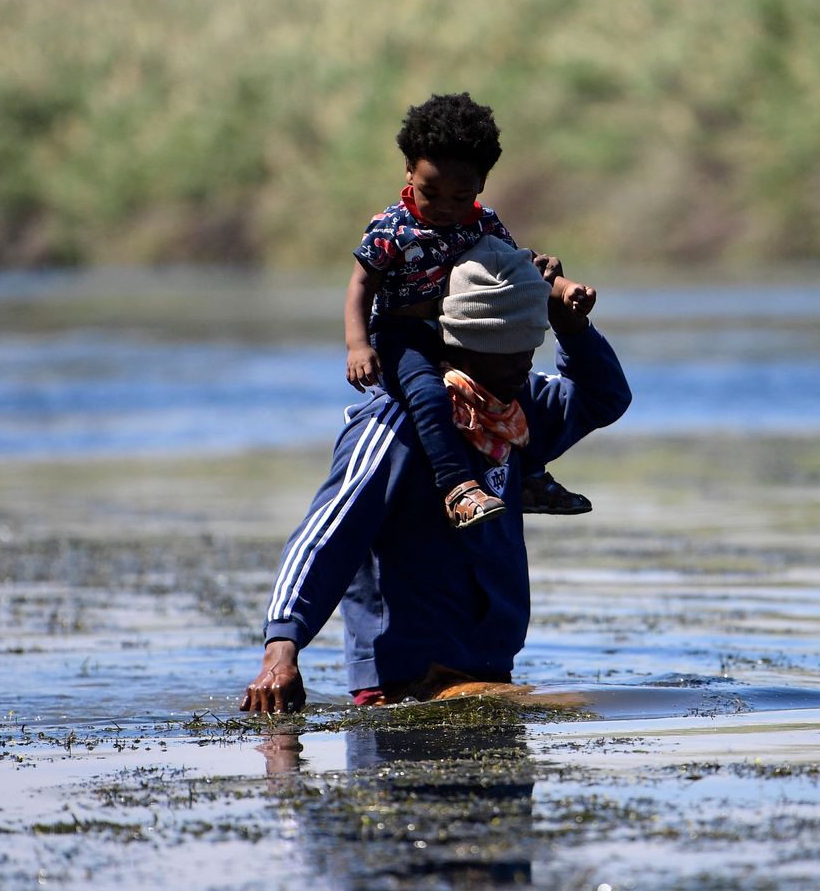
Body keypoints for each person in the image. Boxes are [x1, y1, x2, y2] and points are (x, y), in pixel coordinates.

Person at [243, 235, 631, 713]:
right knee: (583, 707)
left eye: (528, 347)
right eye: (505, 351)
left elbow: (603, 397)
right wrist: (281, 649)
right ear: (460, 345)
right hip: (406, 682)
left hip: (489, 669)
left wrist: (571, 327)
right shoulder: (394, 429)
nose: (523, 363)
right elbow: (325, 538)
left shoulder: (511, 410)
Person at [346, 93, 596, 530]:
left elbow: (521, 266)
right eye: (430, 192)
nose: (443, 206)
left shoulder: (482, 222)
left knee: (507, 385)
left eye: (459, 196)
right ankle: (457, 488)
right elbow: (360, 286)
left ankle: (529, 477)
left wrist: (565, 289)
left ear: (481, 183)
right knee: (428, 396)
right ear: (409, 170)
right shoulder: (391, 228)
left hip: (453, 334)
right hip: (401, 336)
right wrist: (358, 346)